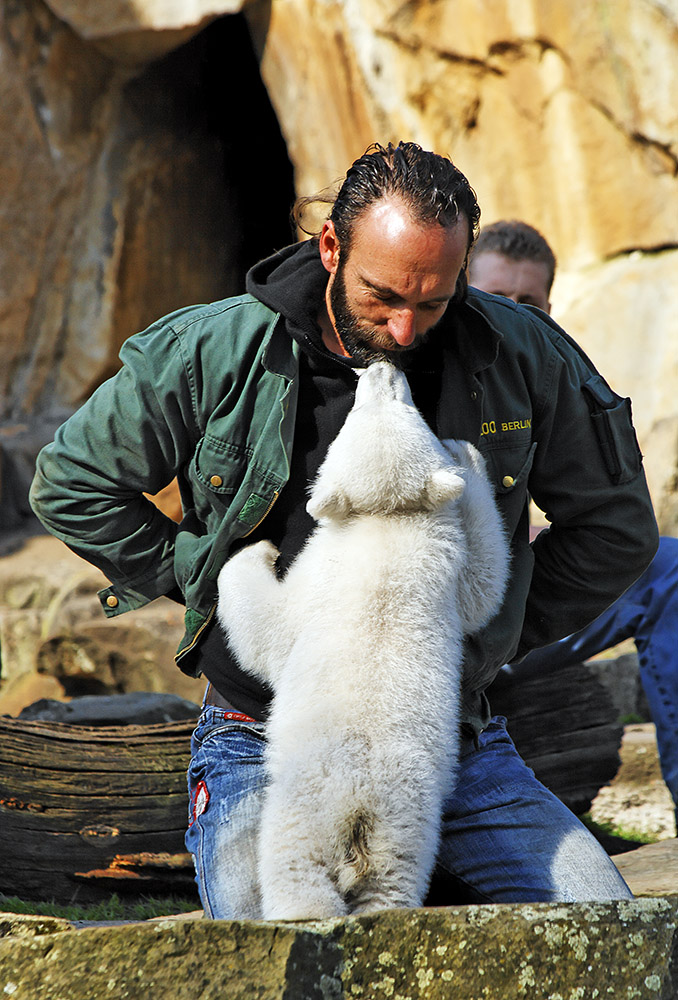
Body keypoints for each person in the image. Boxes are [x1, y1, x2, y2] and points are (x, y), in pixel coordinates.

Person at [30, 142, 659, 918]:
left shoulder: (521, 353)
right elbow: (72, 482)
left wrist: (481, 632)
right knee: (277, 949)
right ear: (330, 247)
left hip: (449, 739)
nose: (404, 328)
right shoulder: (212, 350)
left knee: (608, 932)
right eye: (384, 295)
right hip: (259, 741)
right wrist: (203, 585)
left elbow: (618, 527)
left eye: (434, 301)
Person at [469, 219, 678, 818]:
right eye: (493, 297)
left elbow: (601, 519)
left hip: (517, 611)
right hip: (432, 621)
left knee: (667, 571)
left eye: (526, 302)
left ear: (550, 309)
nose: (509, 313)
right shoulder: (422, 358)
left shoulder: (545, 373)